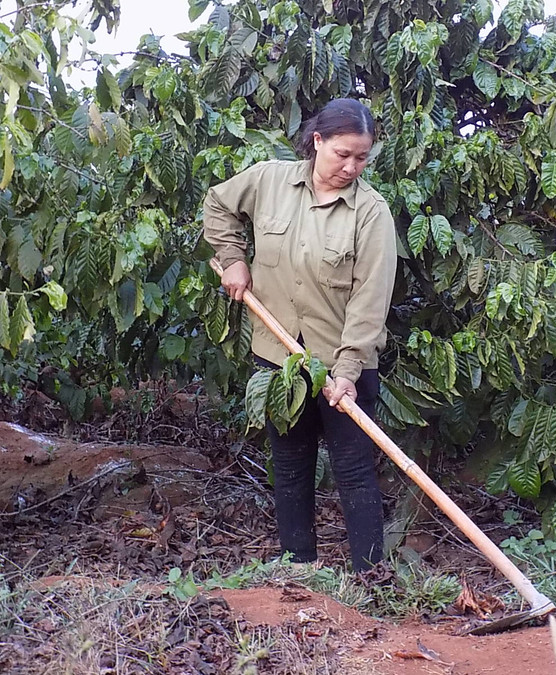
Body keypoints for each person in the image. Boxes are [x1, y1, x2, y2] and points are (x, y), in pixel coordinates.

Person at [202, 98, 397, 571]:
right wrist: (233, 259)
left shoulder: (372, 214)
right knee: (290, 465)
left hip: (341, 366)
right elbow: (218, 204)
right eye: (343, 154)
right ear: (317, 142)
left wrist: (348, 372)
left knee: (353, 469)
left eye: (362, 157)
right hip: (278, 358)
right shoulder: (269, 181)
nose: (352, 167)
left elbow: (369, 305)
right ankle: (297, 570)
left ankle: (371, 578)